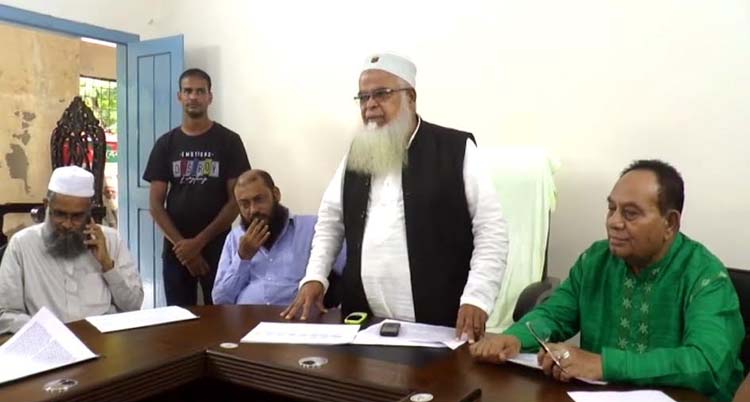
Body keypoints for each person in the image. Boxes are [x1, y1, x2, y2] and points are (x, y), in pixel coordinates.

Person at [470, 160, 744, 402]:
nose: (614, 222)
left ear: (670, 223)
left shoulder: (706, 276)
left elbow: (707, 363)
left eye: (630, 213)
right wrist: (514, 338)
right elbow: (555, 315)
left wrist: (604, 365)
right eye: (611, 208)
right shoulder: (596, 260)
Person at [282, 53, 509, 342]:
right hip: (365, 324)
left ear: (410, 98)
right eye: (363, 97)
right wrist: (315, 277)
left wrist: (477, 297)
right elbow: (330, 221)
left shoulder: (455, 149)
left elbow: (491, 230)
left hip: (439, 325)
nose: (370, 105)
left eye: (381, 94)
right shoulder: (358, 152)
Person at [143, 68, 251, 306]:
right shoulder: (165, 144)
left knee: (221, 313)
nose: (193, 97)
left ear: (210, 97)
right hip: (176, 250)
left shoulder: (229, 141)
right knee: (179, 317)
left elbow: (236, 201)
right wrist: (184, 248)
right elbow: (155, 204)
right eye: (188, 91)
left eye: (200, 91)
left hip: (219, 247)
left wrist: (198, 243)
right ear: (179, 96)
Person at [0, 166, 143, 334]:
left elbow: (133, 306)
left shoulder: (111, 240)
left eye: (77, 216)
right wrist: (47, 330)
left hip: (103, 340)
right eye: (60, 214)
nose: (67, 224)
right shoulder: (22, 244)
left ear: (89, 211)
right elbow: (6, 314)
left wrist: (107, 264)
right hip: (47, 339)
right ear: (47, 205)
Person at [212, 169, 345, 305]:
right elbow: (220, 300)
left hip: (297, 315)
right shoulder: (235, 238)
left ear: (276, 194)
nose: (253, 210)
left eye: (259, 200)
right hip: (247, 316)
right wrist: (242, 258)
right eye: (245, 204)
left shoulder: (313, 228)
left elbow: (350, 271)